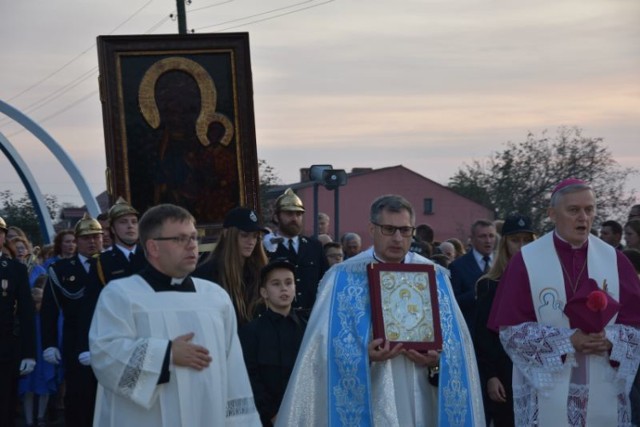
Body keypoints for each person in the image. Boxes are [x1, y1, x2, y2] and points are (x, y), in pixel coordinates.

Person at [275, 195, 484, 426]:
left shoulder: (434, 276)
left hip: (423, 394)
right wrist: (364, 356)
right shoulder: (341, 278)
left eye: (405, 230)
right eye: (389, 229)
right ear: (372, 229)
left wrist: (435, 362)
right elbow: (320, 351)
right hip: (372, 395)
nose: (397, 238)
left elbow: (456, 348)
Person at [89, 204, 260, 426]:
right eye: (180, 239)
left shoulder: (215, 297)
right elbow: (105, 357)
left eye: (193, 238)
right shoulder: (121, 295)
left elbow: (234, 371)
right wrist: (165, 354)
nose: (192, 246)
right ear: (153, 247)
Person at [488, 179, 640, 426]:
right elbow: (511, 333)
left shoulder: (616, 261)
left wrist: (610, 339)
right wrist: (568, 341)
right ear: (552, 214)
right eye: (573, 210)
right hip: (549, 390)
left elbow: (636, 327)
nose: (583, 217)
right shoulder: (526, 261)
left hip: (602, 387)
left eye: (589, 209)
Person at [41, 213, 103, 427]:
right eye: (86, 237)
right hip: (75, 343)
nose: (92, 241)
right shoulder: (61, 269)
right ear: (77, 241)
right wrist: (49, 344)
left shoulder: (112, 265)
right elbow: (49, 310)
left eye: (96, 236)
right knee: (78, 398)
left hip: (110, 340)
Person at [474, 214, 536, 427]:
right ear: (505, 244)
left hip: (537, 373)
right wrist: (491, 376)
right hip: (504, 373)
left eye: (527, 240)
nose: (521, 246)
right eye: (515, 240)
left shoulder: (544, 282)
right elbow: (483, 337)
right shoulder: (489, 285)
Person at [239, 259, 307, 426]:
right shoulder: (251, 331)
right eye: (276, 284)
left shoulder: (308, 327)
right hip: (267, 418)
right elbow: (250, 376)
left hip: (305, 414)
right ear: (264, 292)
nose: (284, 288)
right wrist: (271, 413)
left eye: (288, 283)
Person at [193, 206, 269, 325]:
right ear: (227, 234)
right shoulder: (206, 274)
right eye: (244, 235)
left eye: (255, 236)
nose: (251, 242)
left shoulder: (260, 271)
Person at [264, 188, 328, 314]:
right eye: (289, 214)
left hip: (310, 318)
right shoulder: (266, 247)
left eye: (298, 214)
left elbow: (325, 281)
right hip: (278, 317)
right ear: (277, 217)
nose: (294, 218)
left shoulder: (314, 246)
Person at [0, 217, 36, 427]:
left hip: (5, 350)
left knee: (5, 407)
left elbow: (26, 313)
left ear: (4, 237)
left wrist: (29, 353)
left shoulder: (15, 269)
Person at [450, 219, 497, 330]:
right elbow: (453, 302)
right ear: (472, 239)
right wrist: (477, 293)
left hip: (497, 334)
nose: (488, 240)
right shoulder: (458, 266)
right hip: (472, 331)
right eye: (483, 236)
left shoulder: (503, 263)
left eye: (491, 236)